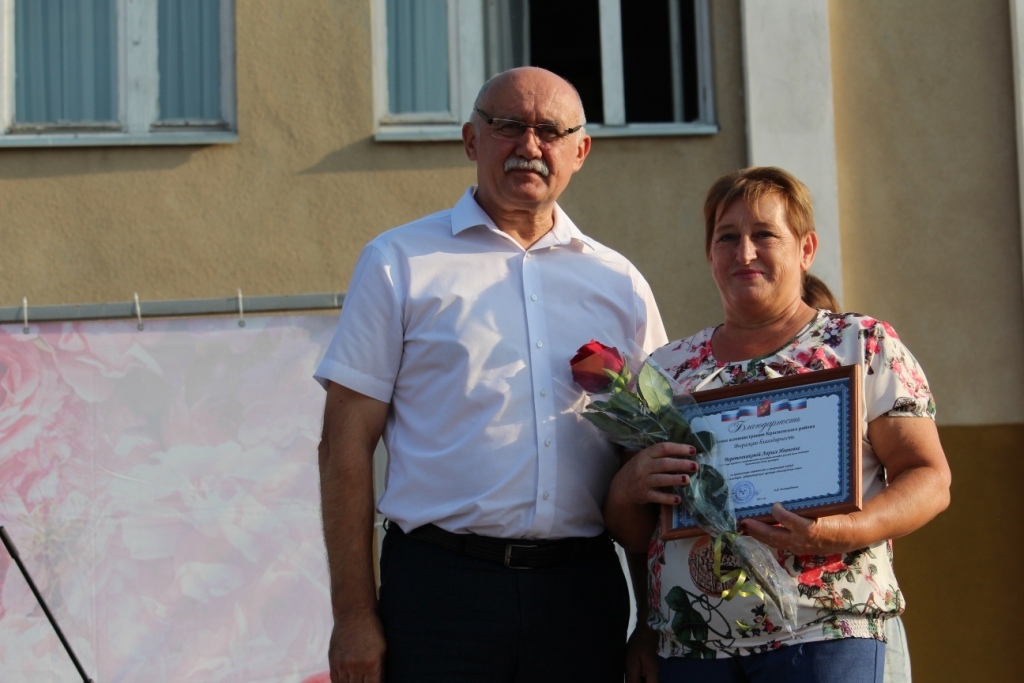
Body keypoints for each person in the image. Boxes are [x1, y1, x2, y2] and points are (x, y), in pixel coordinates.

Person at [315, 66, 667, 683]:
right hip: (440, 594)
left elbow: (647, 458)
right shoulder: (399, 262)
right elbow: (344, 443)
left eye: (551, 131)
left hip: (580, 596)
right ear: (471, 140)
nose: (530, 145)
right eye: (508, 125)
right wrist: (353, 616)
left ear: (581, 151)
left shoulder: (619, 284)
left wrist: (651, 621)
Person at [604, 166, 951, 682]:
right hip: (694, 645)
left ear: (806, 248)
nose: (744, 253)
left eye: (764, 234)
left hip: (824, 631)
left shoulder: (860, 345)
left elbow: (929, 478)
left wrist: (844, 532)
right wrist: (629, 486)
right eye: (727, 238)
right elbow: (635, 533)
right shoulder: (667, 371)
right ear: (709, 254)